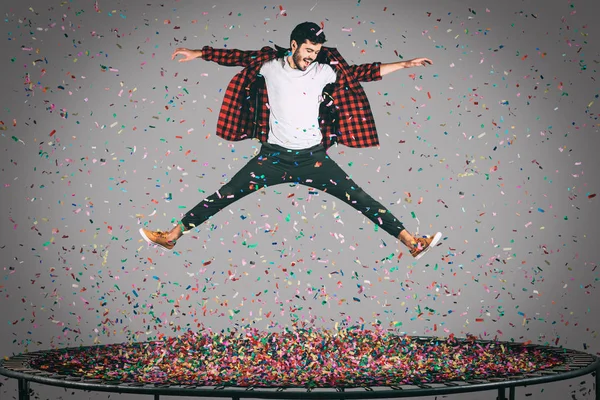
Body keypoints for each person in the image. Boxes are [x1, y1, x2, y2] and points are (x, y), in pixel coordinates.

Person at [139, 22, 442, 260]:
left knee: (361, 199)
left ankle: (413, 243)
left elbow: (362, 72)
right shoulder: (269, 65)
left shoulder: (324, 71)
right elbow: (236, 58)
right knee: (226, 193)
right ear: (294, 45)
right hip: (272, 158)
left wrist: (403, 65)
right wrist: (199, 53)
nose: (312, 56)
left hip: (313, 159)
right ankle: (171, 236)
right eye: (308, 50)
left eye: (316, 51)